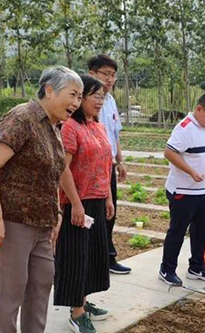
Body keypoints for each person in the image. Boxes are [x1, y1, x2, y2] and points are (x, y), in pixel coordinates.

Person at [0, 66, 83, 333]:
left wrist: (57, 214)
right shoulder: (21, 118)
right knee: (11, 285)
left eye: (80, 97)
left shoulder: (53, 126)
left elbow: (53, 173)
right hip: (12, 219)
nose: (76, 102)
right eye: (73, 94)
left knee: (41, 279)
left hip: (41, 220)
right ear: (49, 90)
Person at [54, 75, 114, 333]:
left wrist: (108, 197)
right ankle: (76, 313)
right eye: (94, 96)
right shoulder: (70, 127)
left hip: (97, 200)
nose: (99, 101)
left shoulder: (97, 126)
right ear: (80, 100)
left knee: (91, 255)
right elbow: (62, 168)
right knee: (76, 256)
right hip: (77, 202)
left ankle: (84, 300)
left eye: (103, 97)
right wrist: (76, 204)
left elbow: (105, 164)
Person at [158, 89, 205, 286]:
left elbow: (201, 150)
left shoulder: (204, 127)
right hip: (183, 191)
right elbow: (169, 153)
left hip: (203, 190)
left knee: (201, 230)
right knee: (178, 231)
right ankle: (167, 269)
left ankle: (196, 266)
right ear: (199, 109)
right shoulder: (185, 128)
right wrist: (190, 171)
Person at [88, 54, 131, 275]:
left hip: (108, 166)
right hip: (91, 168)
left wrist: (120, 161)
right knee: (92, 215)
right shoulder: (84, 103)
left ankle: (107, 257)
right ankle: (96, 258)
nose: (110, 79)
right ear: (92, 74)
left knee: (109, 213)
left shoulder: (111, 101)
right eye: (106, 74)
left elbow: (115, 134)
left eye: (113, 75)